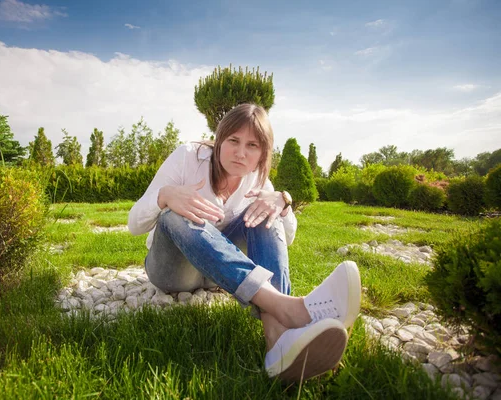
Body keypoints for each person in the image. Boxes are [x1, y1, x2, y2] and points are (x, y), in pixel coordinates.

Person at [128, 103, 361, 382]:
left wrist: (282, 201)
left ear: (263, 153)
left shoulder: (258, 179)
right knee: (175, 214)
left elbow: (286, 236)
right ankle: (289, 309)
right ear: (219, 140)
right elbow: (134, 224)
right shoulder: (188, 157)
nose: (240, 153)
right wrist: (165, 195)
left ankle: (278, 340)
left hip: (220, 274)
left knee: (266, 212)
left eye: (252, 145)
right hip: (174, 271)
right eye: (233, 141)